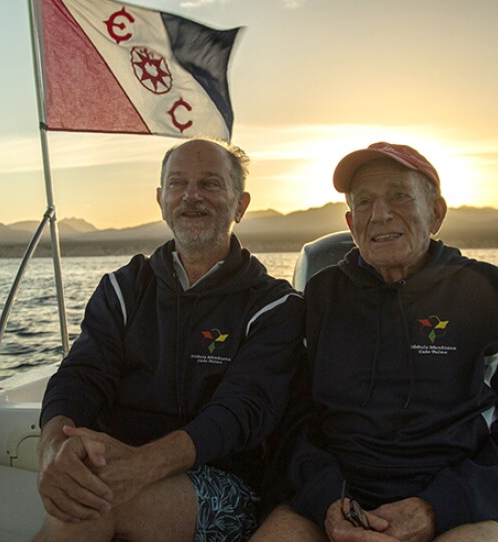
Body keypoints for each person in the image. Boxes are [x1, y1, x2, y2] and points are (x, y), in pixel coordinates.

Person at [252, 142, 498, 542]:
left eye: (399, 196)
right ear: (351, 223)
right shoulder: (320, 299)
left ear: (436, 213)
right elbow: (292, 420)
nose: (380, 214)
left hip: (461, 506)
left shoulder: (490, 294)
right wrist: (327, 501)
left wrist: (440, 505)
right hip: (334, 502)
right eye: (364, 202)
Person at [34, 137, 305, 542]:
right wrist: (53, 446)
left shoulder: (275, 306)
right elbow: (81, 375)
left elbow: (240, 412)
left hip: (227, 483)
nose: (191, 196)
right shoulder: (123, 290)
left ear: (240, 204)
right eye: (178, 184)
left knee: (92, 503)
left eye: (210, 184)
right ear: (161, 200)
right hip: (123, 464)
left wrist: (142, 466)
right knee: (86, 492)